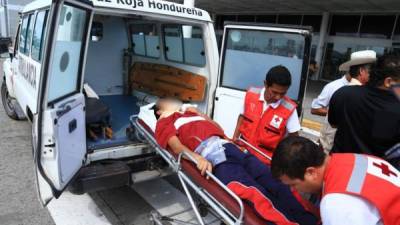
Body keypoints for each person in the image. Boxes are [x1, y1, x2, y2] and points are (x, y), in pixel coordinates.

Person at [153, 98, 318, 225]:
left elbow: (218, 129)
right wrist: (198, 159)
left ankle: (313, 220)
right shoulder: (165, 121)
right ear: (159, 111)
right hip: (215, 159)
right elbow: (176, 146)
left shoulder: (190, 113)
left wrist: (199, 114)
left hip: (233, 149)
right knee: (257, 193)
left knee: (277, 183)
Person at [271, 136, 400, 225]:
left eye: (293, 184)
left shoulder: (336, 203)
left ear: (311, 172)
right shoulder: (352, 159)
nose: (294, 190)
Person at [329, 53, 400, 156]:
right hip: (373, 170)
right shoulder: (395, 109)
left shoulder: (344, 93)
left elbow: (333, 123)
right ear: (388, 81)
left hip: (339, 165)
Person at [311, 50, 376, 152]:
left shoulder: (368, 91)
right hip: (330, 144)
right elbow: (315, 109)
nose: (373, 75)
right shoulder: (333, 87)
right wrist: (340, 111)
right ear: (361, 71)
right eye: (371, 71)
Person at [233, 65, 300, 164]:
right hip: (241, 152)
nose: (278, 97)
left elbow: (294, 139)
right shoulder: (251, 95)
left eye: (283, 93)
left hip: (264, 162)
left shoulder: (289, 109)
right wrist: (234, 139)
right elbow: (242, 116)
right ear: (265, 84)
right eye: (274, 92)